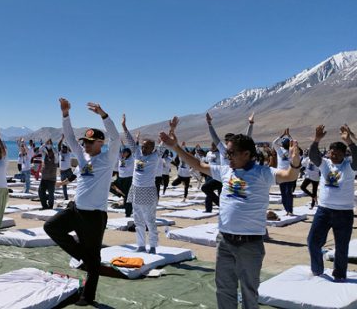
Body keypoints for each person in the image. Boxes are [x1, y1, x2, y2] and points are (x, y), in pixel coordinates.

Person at [160, 120, 300, 309]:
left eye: (231, 153)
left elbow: (289, 176)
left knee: (249, 291)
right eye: (227, 153)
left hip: (250, 243)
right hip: (225, 241)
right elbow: (198, 164)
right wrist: (175, 147)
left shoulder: (263, 172)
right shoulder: (226, 171)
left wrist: (294, 161)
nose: (227, 157)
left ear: (246, 154)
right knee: (224, 288)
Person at [44, 98, 118, 307]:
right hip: (75, 210)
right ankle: (82, 255)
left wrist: (104, 115)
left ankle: (87, 296)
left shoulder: (107, 159)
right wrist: (65, 114)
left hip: (94, 216)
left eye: (88, 142)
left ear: (100, 144)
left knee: (93, 259)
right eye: (84, 142)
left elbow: (115, 138)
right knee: (51, 227)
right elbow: (69, 138)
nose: (84, 145)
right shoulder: (82, 157)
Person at [307, 124, 357, 282]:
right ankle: (317, 270)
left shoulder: (349, 167)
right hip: (324, 211)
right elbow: (314, 156)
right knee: (312, 241)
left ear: (344, 154)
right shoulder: (325, 164)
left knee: (341, 246)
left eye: (337, 154)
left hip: (344, 213)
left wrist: (349, 141)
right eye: (331, 153)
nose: (333, 156)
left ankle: (340, 275)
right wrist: (316, 140)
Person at [123, 114, 171, 254]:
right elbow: (131, 141)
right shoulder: (137, 153)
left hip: (148, 190)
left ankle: (153, 246)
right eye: (142, 146)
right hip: (136, 190)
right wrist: (124, 126)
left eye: (146, 147)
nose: (143, 149)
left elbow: (165, 142)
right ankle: (140, 245)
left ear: (152, 148)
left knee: (150, 220)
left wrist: (172, 128)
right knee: (138, 220)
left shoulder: (156, 156)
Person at [273, 128, 296, 215]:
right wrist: (284, 135)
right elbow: (274, 143)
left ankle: (290, 210)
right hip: (281, 175)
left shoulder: (291, 151)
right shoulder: (280, 150)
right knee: (283, 193)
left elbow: (294, 143)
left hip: (289, 174)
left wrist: (287, 135)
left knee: (288, 192)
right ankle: (287, 210)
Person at [111, 143, 134, 214]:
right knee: (111, 185)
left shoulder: (131, 159)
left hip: (128, 179)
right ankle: (123, 195)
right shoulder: (121, 158)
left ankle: (128, 210)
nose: (123, 153)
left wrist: (136, 141)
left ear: (128, 153)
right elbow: (117, 151)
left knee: (128, 194)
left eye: (124, 152)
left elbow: (134, 150)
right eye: (122, 152)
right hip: (120, 178)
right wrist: (119, 143)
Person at [38, 139, 58, 209]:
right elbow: (40, 149)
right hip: (44, 178)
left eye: (50, 152)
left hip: (51, 179)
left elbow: (55, 152)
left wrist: (51, 146)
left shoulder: (56, 158)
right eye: (48, 151)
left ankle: (50, 206)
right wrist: (45, 143)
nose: (49, 153)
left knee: (51, 194)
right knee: (40, 192)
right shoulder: (44, 156)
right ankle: (44, 206)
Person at [57, 135, 73, 201]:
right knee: (64, 185)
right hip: (62, 172)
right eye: (63, 148)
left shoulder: (68, 153)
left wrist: (67, 140)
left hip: (68, 171)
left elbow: (70, 148)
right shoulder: (60, 153)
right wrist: (62, 139)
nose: (64, 149)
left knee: (71, 180)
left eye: (65, 148)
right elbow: (58, 145)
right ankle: (66, 197)